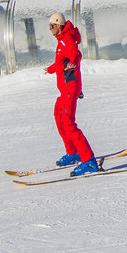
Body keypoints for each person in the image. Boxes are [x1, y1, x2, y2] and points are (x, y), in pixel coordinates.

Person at [45, 12, 99, 175]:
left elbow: (75, 54)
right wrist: (52, 69)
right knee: (59, 118)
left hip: (70, 87)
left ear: (58, 25)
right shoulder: (61, 39)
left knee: (69, 124)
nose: (50, 29)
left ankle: (89, 161)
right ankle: (73, 152)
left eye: (51, 26)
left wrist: (73, 63)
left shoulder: (67, 39)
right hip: (64, 89)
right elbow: (62, 60)